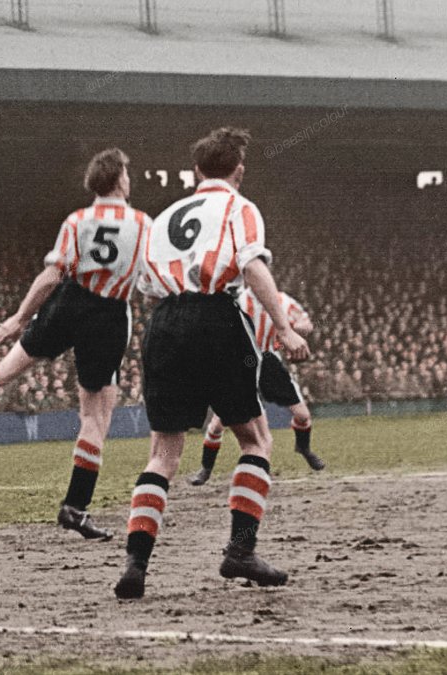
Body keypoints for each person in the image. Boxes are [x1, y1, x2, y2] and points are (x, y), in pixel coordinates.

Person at [0, 148, 150, 541]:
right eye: (128, 173)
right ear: (120, 178)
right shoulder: (142, 223)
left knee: (3, 370)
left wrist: (19, 318)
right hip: (108, 315)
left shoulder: (77, 220)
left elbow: (52, 275)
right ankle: (75, 506)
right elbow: (150, 278)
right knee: (95, 416)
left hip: (68, 301)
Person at [115, 127, 310, 599]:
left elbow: (144, 283)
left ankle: (135, 565)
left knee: (162, 453)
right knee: (256, 439)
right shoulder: (240, 207)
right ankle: (240, 551)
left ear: (196, 171)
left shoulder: (163, 217)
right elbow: (252, 265)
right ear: (238, 171)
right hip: (216, 317)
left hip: (163, 323)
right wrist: (282, 327)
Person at [190, 287, 324, 486]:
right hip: (243, 362)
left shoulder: (281, 300)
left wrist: (301, 328)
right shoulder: (239, 300)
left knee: (303, 416)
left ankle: (303, 448)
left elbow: (305, 322)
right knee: (219, 424)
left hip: (269, 360)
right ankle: (206, 468)